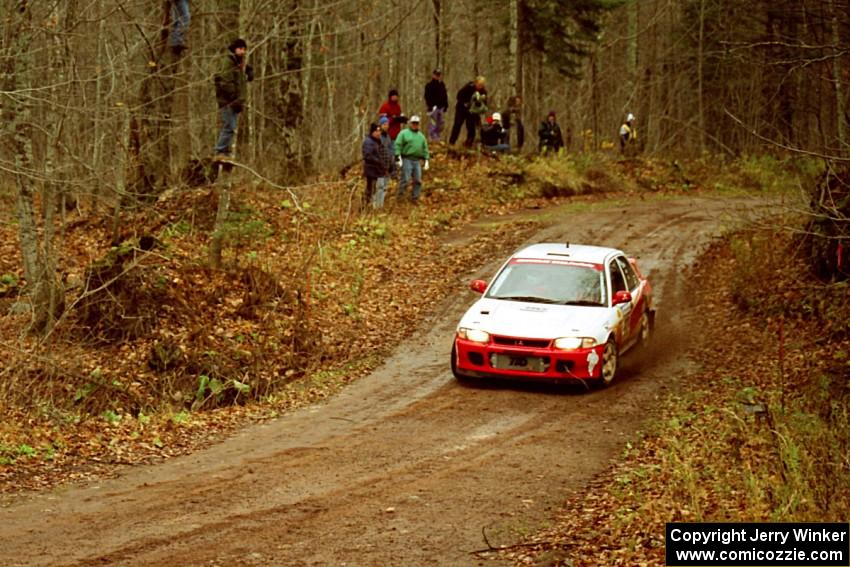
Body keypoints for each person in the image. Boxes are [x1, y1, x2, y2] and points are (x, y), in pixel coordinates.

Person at [213, 38, 250, 159]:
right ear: (234, 49)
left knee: (231, 127)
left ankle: (226, 152)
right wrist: (235, 97)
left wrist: (248, 72)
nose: (242, 51)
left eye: (244, 49)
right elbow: (225, 81)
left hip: (234, 101)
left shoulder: (237, 63)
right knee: (229, 126)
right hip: (228, 101)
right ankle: (220, 151)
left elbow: (240, 82)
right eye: (240, 49)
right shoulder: (228, 62)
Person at [394, 115, 430, 204]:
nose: (415, 125)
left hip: (416, 160)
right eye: (413, 123)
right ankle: (400, 196)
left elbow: (425, 149)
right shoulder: (404, 133)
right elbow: (398, 144)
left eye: (416, 123)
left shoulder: (421, 136)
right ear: (410, 123)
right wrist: (398, 156)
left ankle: (415, 198)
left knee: (418, 179)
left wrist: (426, 160)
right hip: (407, 158)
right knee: (405, 178)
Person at [449, 76, 487, 147]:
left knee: (471, 128)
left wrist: (479, 105)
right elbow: (459, 95)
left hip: (472, 112)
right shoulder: (469, 87)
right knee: (457, 124)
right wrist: (464, 103)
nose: (480, 87)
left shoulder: (483, 92)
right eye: (479, 85)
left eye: (481, 85)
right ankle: (452, 142)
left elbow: (484, 104)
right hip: (461, 109)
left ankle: (468, 144)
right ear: (476, 83)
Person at [362, 122, 389, 209]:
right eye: (376, 131)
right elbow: (367, 156)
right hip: (371, 170)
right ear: (372, 132)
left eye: (379, 131)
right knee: (371, 190)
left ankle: (377, 207)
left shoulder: (378, 142)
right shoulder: (368, 142)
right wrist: (378, 162)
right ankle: (367, 206)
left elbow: (382, 154)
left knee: (380, 188)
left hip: (379, 170)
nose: (378, 133)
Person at [424, 69, 449, 142]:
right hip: (433, 108)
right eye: (436, 75)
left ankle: (437, 137)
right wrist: (430, 105)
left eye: (439, 75)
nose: (437, 76)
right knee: (433, 123)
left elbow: (445, 96)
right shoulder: (429, 85)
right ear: (433, 75)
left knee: (440, 124)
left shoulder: (441, 85)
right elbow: (427, 96)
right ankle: (432, 138)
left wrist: (446, 105)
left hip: (441, 107)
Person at [376, 116, 396, 208]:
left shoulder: (388, 136)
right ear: (380, 125)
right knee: (379, 186)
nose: (386, 126)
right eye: (384, 124)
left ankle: (381, 205)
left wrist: (393, 162)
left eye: (387, 124)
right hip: (379, 165)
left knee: (385, 186)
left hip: (388, 164)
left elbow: (391, 149)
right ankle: (376, 205)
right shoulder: (378, 135)